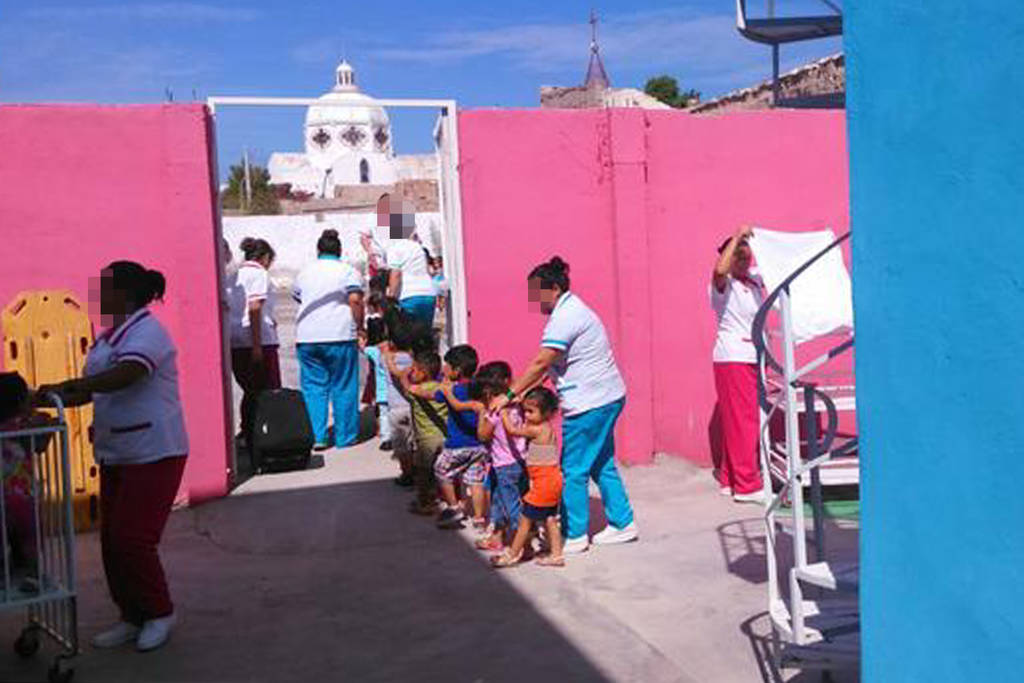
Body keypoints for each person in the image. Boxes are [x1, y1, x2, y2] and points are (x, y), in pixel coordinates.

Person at [42, 261, 188, 652]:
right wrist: (47, 398)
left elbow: (128, 374)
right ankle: (132, 614)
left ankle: (159, 612)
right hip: (116, 450)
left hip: (153, 451)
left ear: (124, 294)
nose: (98, 296)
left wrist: (72, 384)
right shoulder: (109, 337)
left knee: (133, 539)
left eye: (104, 288)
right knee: (111, 541)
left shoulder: (149, 332)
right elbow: (93, 390)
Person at [492, 256, 637, 554]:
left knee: (573, 470)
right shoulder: (570, 311)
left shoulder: (566, 317)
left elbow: (541, 362)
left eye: (537, 293)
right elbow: (550, 366)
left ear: (555, 289)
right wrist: (523, 391)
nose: (534, 300)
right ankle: (623, 522)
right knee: (600, 463)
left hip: (589, 403)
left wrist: (507, 395)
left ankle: (574, 534)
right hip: (606, 396)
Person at [293, 229, 365, 450]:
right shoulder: (348, 271)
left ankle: (317, 436)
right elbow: (355, 299)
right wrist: (360, 327)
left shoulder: (304, 272)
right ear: (339, 250)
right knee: (343, 385)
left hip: (307, 336)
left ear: (318, 250)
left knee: (314, 387)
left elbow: (298, 297)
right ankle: (345, 437)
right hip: (339, 334)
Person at [711, 225, 766, 503]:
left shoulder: (753, 281)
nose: (744, 262)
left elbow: (775, 266)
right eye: (738, 257)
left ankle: (730, 479)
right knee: (745, 422)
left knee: (736, 421)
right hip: (734, 358)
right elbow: (719, 270)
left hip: (751, 356)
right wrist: (736, 236)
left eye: (747, 257)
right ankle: (747, 485)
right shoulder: (724, 285)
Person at [404, 344, 484, 529]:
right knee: (475, 481)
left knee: (441, 470)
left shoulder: (451, 391)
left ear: (457, 370)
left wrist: (414, 389)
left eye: (447, 365)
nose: (444, 369)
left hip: (457, 444)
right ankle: (479, 518)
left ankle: (454, 507)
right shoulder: (477, 388)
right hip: (478, 445)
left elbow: (431, 394)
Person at [492, 387, 564, 568]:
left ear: (546, 413)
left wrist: (504, 413)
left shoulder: (536, 429)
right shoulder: (547, 428)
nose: (526, 415)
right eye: (525, 411)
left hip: (543, 484)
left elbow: (512, 430)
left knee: (525, 521)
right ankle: (556, 555)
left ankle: (512, 554)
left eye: (530, 411)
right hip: (553, 480)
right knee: (550, 519)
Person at [230, 237, 281, 448]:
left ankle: (248, 432)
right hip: (259, 341)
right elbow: (254, 307)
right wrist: (257, 345)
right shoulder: (259, 274)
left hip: (235, 341)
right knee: (269, 391)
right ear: (265, 257)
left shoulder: (232, 277)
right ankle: (265, 434)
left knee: (250, 390)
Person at [386, 349, 448, 515]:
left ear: (423, 372)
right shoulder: (442, 389)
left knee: (423, 473)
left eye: (414, 369)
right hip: (444, 437)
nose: (412, 372)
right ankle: (440, 497)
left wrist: (404, 373)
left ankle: (424, 503)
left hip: (425, 441)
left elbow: (404, 384)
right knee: (441, 471)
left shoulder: (416, 391)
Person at [376, 193, 437, 326]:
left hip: (409, 296)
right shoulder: (417, 247)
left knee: (408, 334)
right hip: (428, 294)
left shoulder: (395, 249)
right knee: (425, 332)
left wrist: (391, 298)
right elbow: (427, 270)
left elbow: (396, 274)